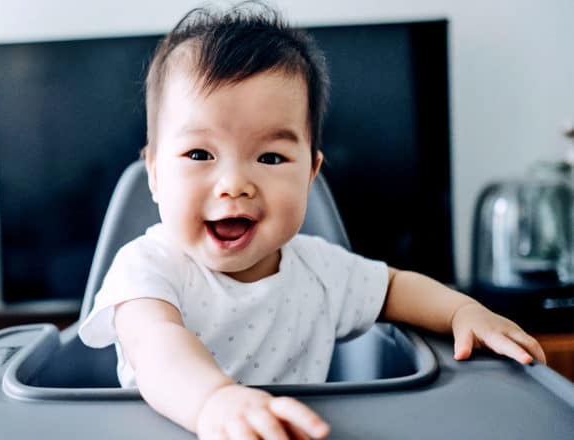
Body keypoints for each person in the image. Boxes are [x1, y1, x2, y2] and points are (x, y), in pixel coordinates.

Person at [78, 2, 546, 439]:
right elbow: (157, 345)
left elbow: (396, 287)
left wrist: (463, 311)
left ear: (310, 175)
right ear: (155, 176)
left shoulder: (321, 271)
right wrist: (215, 403)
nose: (234, 184)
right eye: (200, 153)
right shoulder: (146, 268)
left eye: (271, 156)